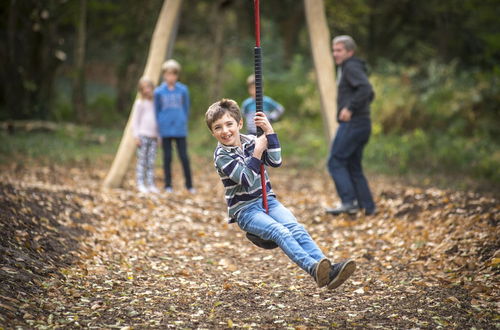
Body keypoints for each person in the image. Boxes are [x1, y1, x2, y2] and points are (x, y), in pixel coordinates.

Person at [205, 98, 356, 290]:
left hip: (269, 201)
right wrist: (257, 152)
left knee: (296, 228)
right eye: (218, 127)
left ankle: (330, 270)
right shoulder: (222, 156)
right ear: (212, 132)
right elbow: (246, 179)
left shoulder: (252, 140)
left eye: (229, 124)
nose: (225, 131)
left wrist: (270, 132)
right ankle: (314, 269)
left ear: (240, 123)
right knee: (280, 231)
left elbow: (275, 161)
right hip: (246, 211)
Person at [326, 35, 376, 216]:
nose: (335, 54)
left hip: (354, 124)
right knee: (353, 165)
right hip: (362, 122)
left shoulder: (351, 67)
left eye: (339, 50)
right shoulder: (350, 67)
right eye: (334, 50)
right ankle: (368, 207)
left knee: (335, 161)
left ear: (350, 52)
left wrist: (350, 108)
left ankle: (349, 202)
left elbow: (366, 89)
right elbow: (369, 94)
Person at [154, 59, 194, 193]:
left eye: (174, 74)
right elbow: (157, 110)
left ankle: (189, 185)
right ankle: (168, 185)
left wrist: (182, 120)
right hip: (165, 129)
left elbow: (186, 108)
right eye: (168, 74)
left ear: (177, 75)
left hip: (179, 129)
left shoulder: (183, 90)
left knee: (183, 157)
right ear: (164, 75)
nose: (171, 77)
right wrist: (158, 130)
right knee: (167, 158)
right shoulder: (159, 91)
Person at [131, 77, 160, 194]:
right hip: (143, 137)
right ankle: (140, 183)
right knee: (142, 161)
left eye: (148, 87)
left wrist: (159, 137)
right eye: (143, 88)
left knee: (151, 162)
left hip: (153, 137)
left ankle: (150, 183)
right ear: (141, 91)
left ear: (153, 88)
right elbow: (135, 121)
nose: (147, 90)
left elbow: (158, 121)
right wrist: (136, 136)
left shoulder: (156, 103)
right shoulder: (140, 103)